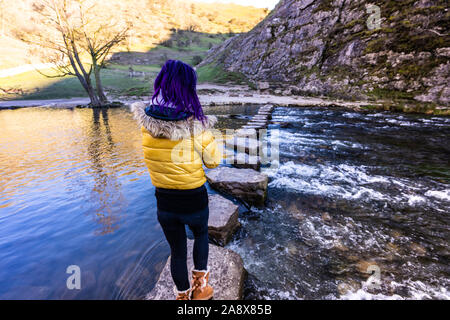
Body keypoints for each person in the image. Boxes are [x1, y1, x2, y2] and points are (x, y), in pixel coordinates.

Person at [131, 60, 222, 300]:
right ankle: (200, 289)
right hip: (193, 197)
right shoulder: (196, 125)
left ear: (161, 82)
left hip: (164, 200)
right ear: (188, 88)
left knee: (177, 251)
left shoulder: (146, 123)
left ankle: (182, 296)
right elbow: (213, 162)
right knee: (201, 234)